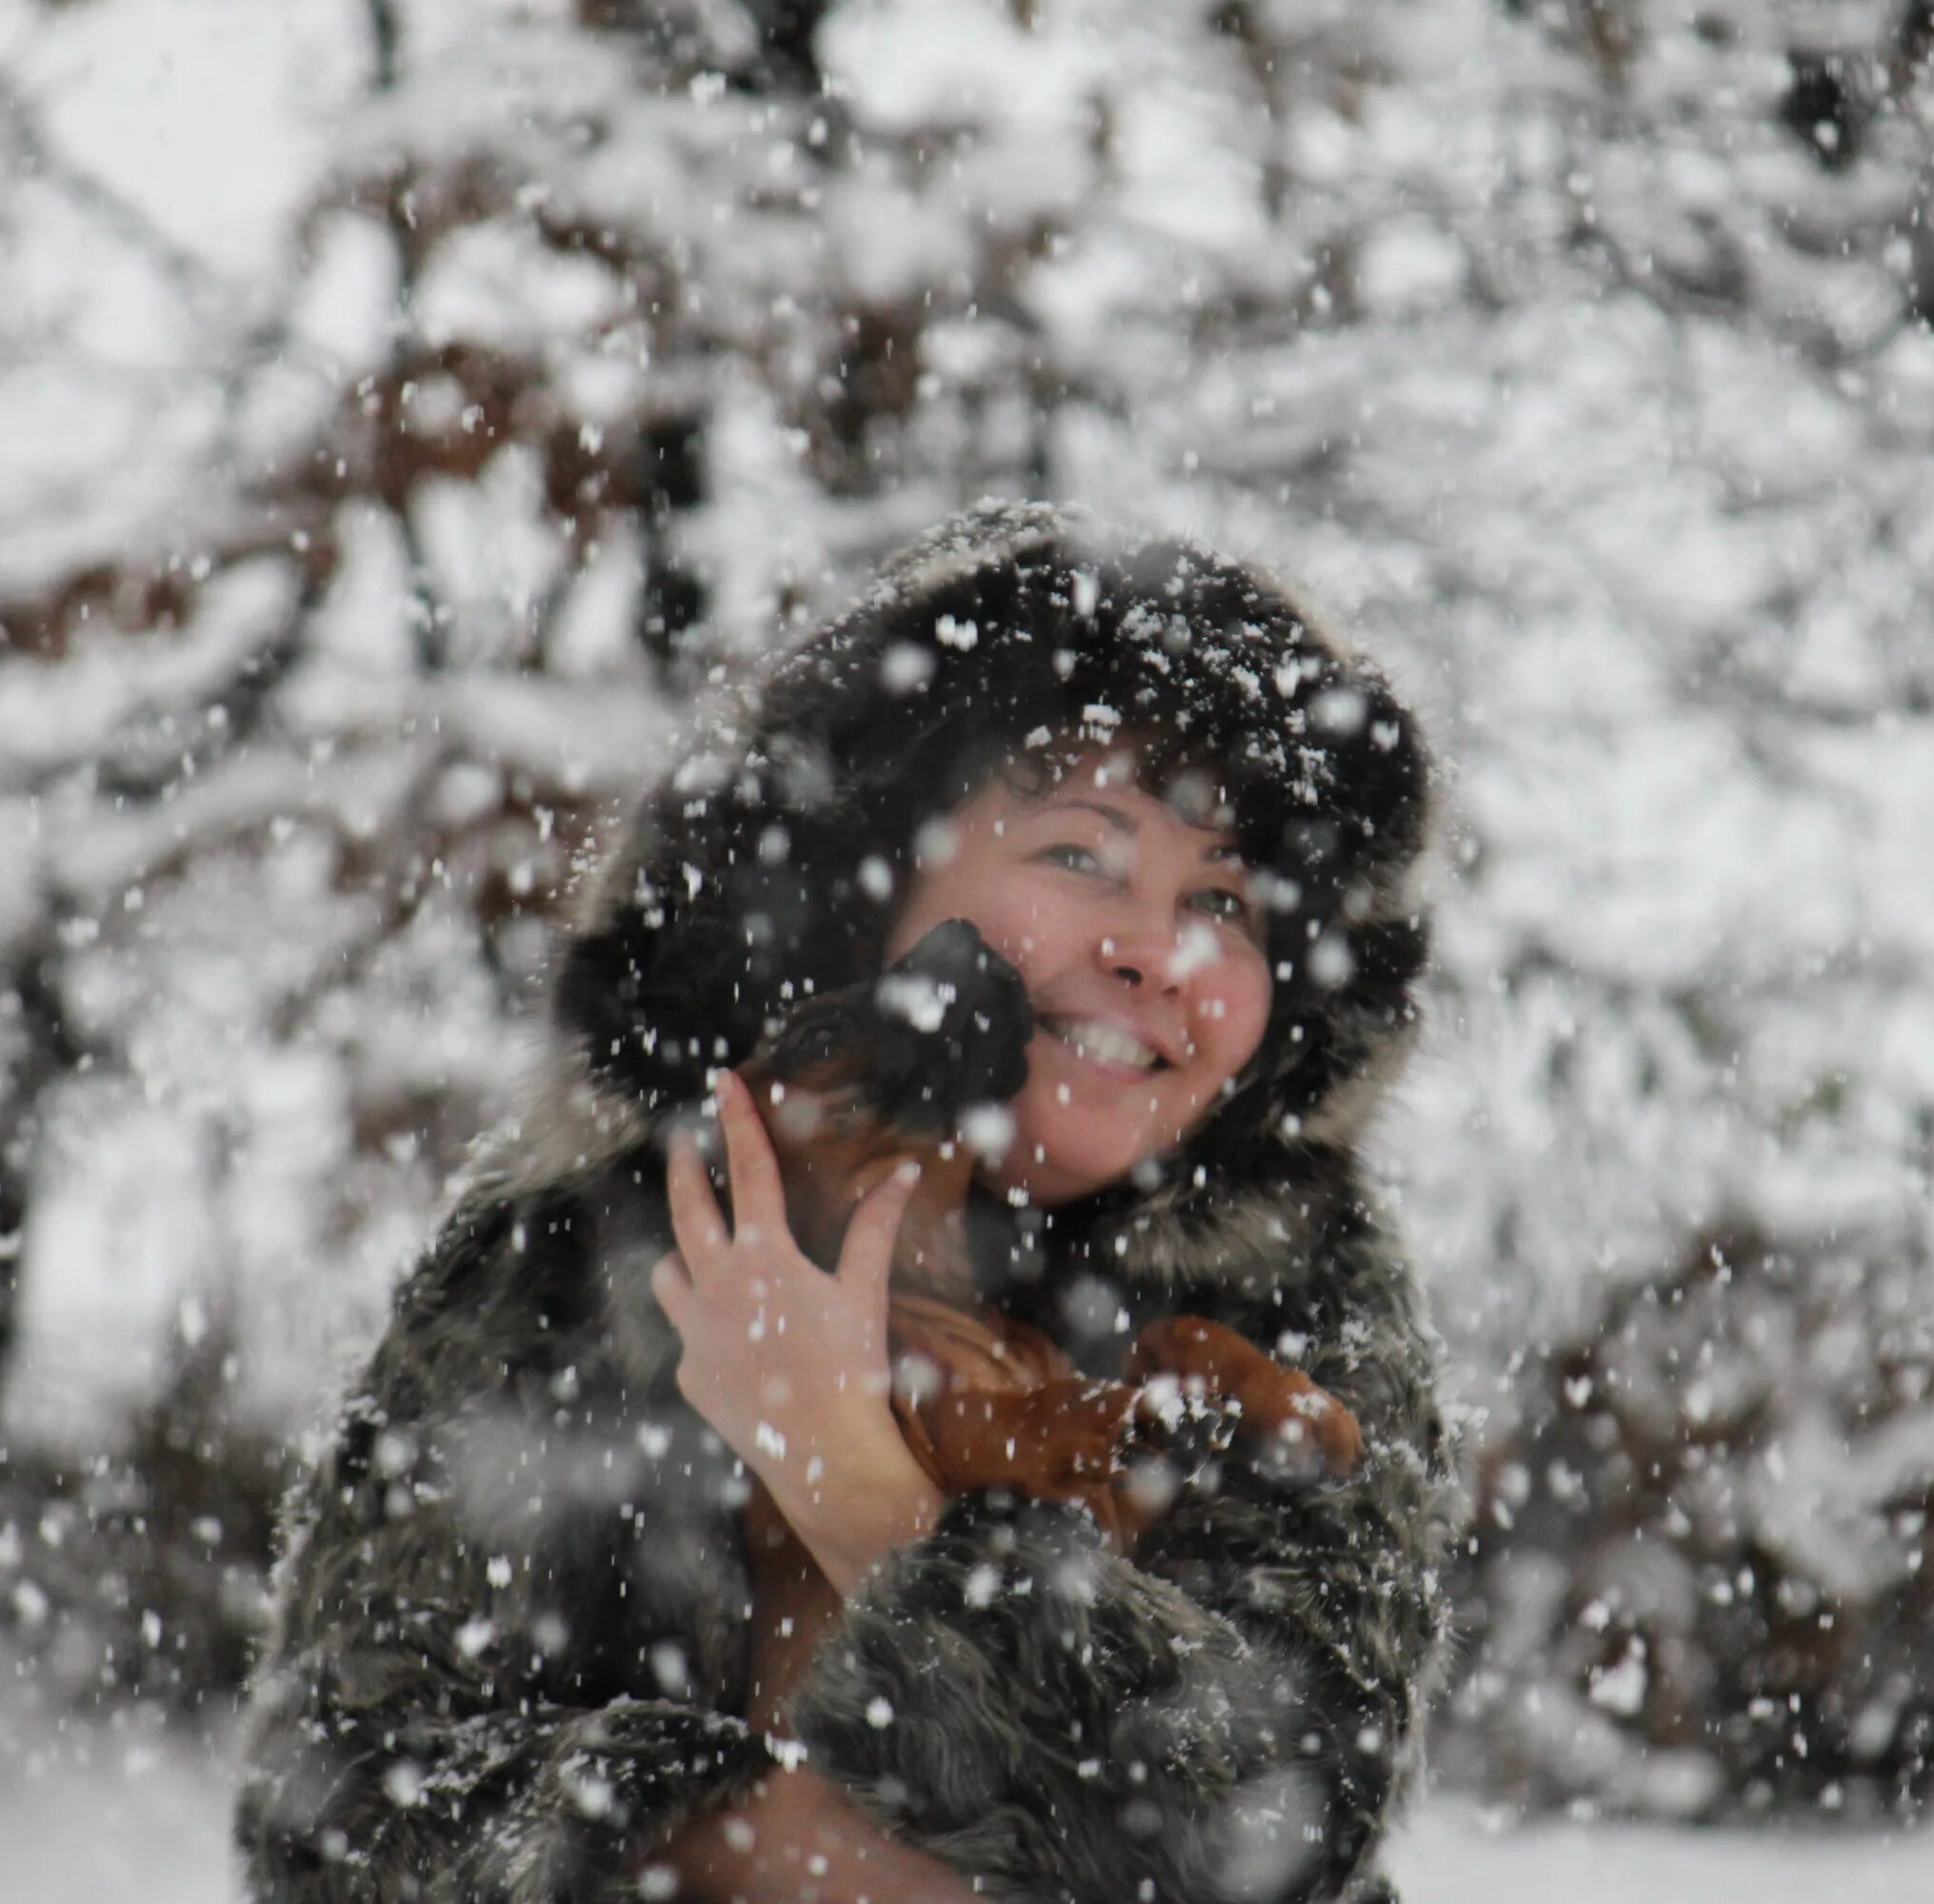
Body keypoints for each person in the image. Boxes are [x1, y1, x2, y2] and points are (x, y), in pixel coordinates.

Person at [233, 502, 1459, 1904]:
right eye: (1082, 854)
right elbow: (342, 1820)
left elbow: (1274, 1829)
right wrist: (746, 1853)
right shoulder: (579, 1242)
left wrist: (849, 1474)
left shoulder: (1300, 1287)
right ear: (868, 873)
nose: (1158, 953)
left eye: (1230, 904)